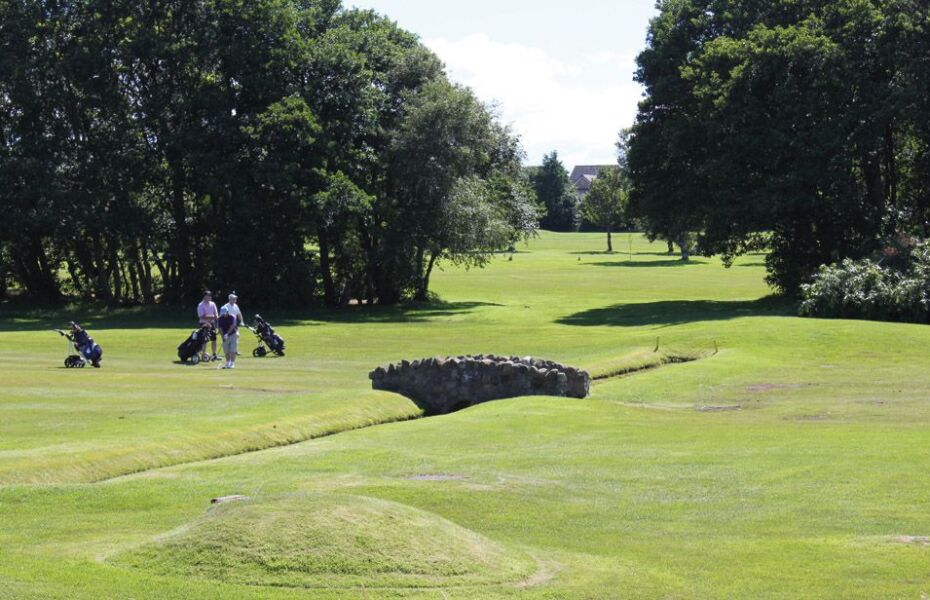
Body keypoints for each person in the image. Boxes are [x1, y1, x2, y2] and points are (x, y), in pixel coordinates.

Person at [197, 290, 219, 361]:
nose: (210, 297)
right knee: (205, 340)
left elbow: (216, 314)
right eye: (208, 296)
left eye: (210, 296)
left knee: (214, 339)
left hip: (212, 324)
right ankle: (203, 355)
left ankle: (214, 355)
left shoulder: (213, 304)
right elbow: (201, 316)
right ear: (204, 296)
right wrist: (212, 317)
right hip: (203, 324)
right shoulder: (201, 305)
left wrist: (214, 316)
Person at [217, 303, 241, 370]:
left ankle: (232, 363)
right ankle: (228, 362)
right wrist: (223, 337)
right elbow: (220, 328)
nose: (224, 315)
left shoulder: (232, 317)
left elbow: (232, 326)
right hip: (224, 335)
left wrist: (227, 334)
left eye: (225, 313)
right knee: (226, 351)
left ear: (227, 312)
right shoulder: (220, 318)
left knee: (233, 350)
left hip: (233, 334)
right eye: (223, 314)